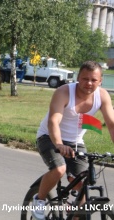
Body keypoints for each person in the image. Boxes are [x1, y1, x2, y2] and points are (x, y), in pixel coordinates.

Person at [31, 61, 114, 220]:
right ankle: (39, 200)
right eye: (84, 79)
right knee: (59, 169)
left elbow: (111, 125)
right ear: (78, 78)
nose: (89, 83)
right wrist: (59, 144)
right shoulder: (64, 92)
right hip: (49, 137)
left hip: (76, 142)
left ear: (100, 81)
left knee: (84, 185)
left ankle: (74, 214)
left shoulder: (102, 96)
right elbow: (53, 121)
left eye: (93, 80)